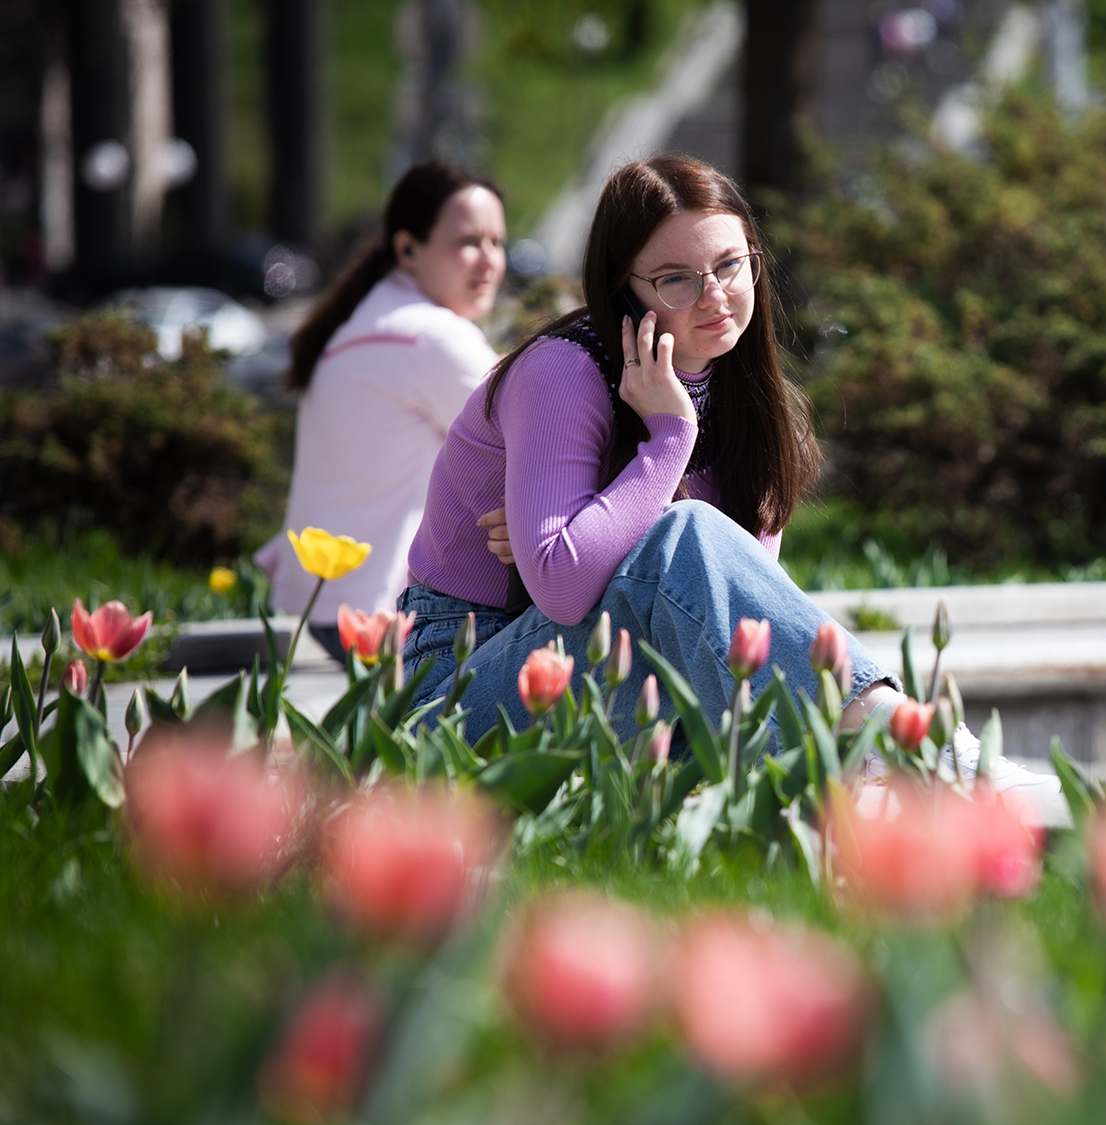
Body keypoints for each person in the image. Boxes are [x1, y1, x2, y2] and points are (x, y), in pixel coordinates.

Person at [397, 155, 1059, 814]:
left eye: (729, 265)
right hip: (460, 693)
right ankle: (910, 744)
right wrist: (667, 444)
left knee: (680, 542)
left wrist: (611, 525)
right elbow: (567, 589)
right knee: (678, 533)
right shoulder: (564, 373)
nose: (713, 295)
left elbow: (730, 601)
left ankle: (861, 770)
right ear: (624, 291)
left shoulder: (745, 396)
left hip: (621, 683)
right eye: (675, 279)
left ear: (755, 261)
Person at [257, 161, 507, 659]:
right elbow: (542, 441)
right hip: (388, 615)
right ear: (407, 248)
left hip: (331, 607)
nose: (488, 261)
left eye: (498, 243)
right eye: (468, 242)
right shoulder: (429, 336)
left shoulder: (368, 323)